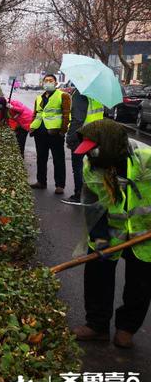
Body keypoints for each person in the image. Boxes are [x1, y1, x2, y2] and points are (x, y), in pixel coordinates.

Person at [71, 119, 151, 349]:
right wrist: (100, 237)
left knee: (141, 282)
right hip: (111, 230)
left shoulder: (146, 158)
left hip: (144, 232)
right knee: (97, 274)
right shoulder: (93, 166)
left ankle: (127, 328)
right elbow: (94, 204)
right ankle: (97, 326)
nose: (90, 156)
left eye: (93, 150)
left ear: (109, 144)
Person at [29, 74, 71, 194]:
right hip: (40, 132)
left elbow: (66, 115)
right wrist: (32, 126)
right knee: (41, 158)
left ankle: (60, 185)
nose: (48, 82)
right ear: (43, 83)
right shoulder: (39, 98)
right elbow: (35, 113)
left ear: (56, 82)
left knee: (58, 159)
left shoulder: (63, 96)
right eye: (46, 81)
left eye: (51, 80)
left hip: (55, 133)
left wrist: (63, 131)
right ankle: (41, 181)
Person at [63, 86, 104, 205]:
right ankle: (93, 196)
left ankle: (80, 195)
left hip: (82, 136)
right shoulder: (97, 93)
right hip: (96, 134)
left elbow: (78, 119)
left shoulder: (80, 93)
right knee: (92, 167)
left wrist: (70, 137)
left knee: (78, 166)